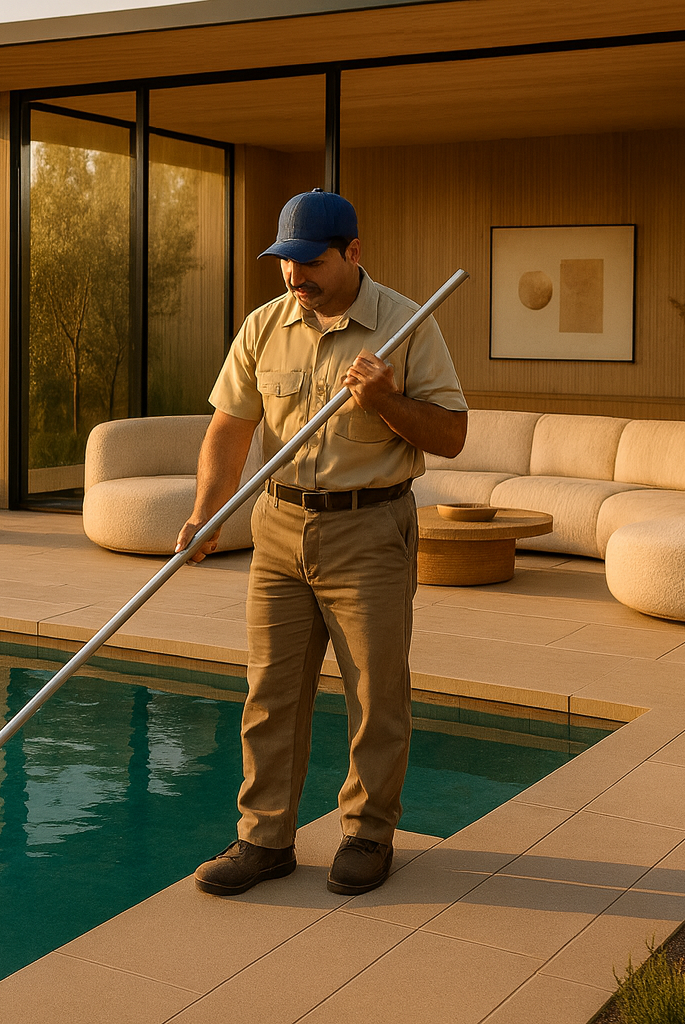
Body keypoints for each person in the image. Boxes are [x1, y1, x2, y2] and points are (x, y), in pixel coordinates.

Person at [177, 188, 468, 897]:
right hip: (276, 526)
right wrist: (206, 512)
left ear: (352, 253)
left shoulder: (405, 325)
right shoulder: (264, 326)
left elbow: (452, 435)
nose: (295, 276)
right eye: (285, 262)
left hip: (368, 526)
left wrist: (386, 402)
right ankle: (264, 838)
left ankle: (368, 833)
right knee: (270, 691)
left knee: (374, 692)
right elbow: (230, 427)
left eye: (310, 262)